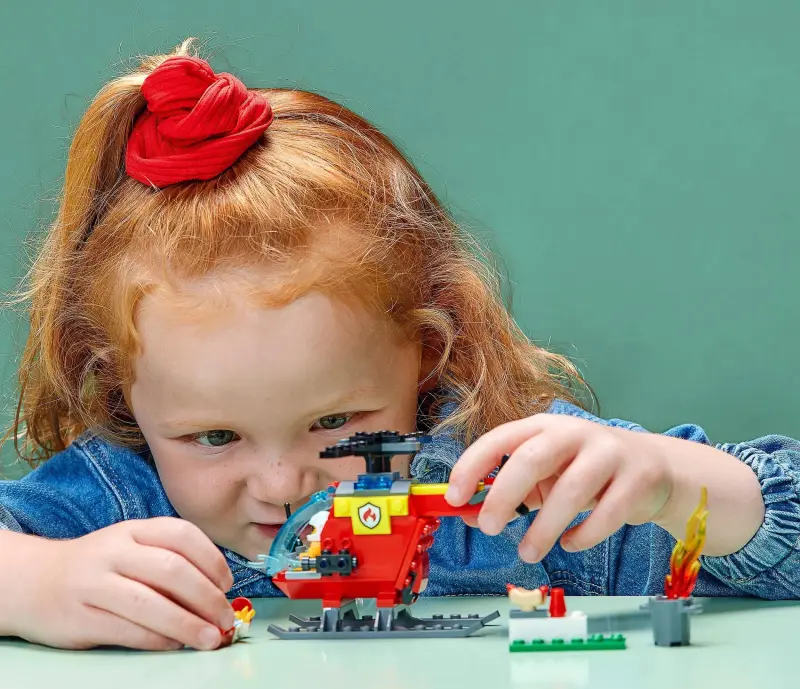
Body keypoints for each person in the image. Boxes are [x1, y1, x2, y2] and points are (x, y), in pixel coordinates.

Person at [1, 40, 798, 653]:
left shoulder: (514, 493)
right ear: (121, 389)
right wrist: (37, 581)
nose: (281, 485)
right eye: (213, 437)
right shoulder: (117, 500)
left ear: (428, 349)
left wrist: (676, 483)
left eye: (335, 424)